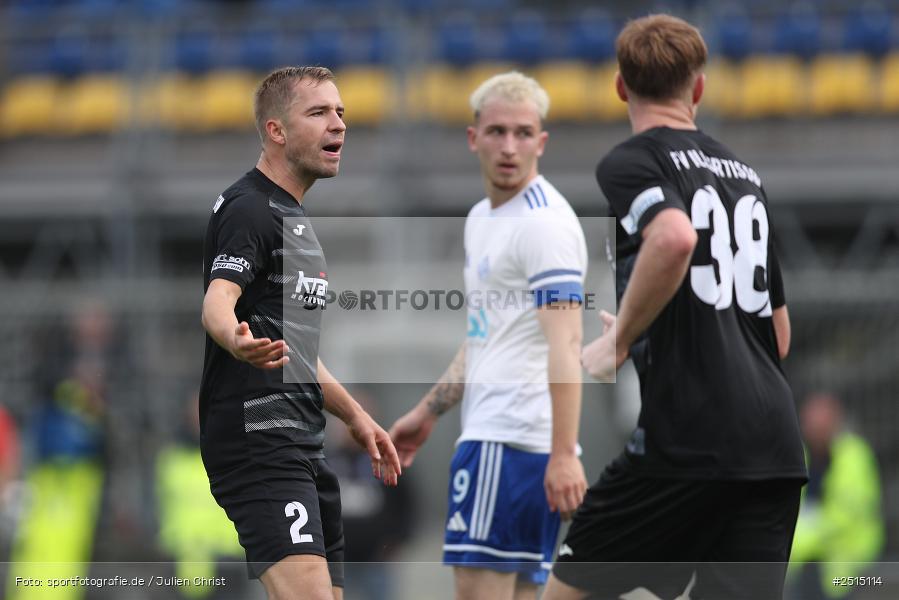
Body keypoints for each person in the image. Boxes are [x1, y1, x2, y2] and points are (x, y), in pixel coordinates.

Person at [544, 15, 808, 600]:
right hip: (774, 447)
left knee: (567, 593)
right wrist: (649, 327)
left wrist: (617, 341)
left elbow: (674, 239)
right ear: (699, 88)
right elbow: (776, 337)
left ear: (619, 87)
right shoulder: (746, 178)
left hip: (688, 440)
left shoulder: (632, 160)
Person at [200, 66, 401, 600]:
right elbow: (219, 300)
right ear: (276, 131)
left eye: (340, 113)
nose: (337, 124)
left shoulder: (293, 218)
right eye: (319, 113)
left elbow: (299, 352)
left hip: (303, 443)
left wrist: (357, 417)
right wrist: (233, 338)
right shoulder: (250, 209)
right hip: (259, 440)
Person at [390, 71, 588, 600]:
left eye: (524, 133)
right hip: (511, 441)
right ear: (473, 137)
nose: (509, 146)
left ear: (541, 143)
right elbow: (484, 334)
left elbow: (566, 344)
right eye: (497, 131)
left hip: (510, 443)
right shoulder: (483, 218)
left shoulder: (542, 225)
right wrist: (429, 411)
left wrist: (564, 452)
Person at [788, 392, 883, 600]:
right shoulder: (803, 455)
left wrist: (802, 537)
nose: (813, 430)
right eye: (809, 424)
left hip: (850, 567)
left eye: (820, 424)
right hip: (810, 565)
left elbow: (846, 513)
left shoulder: (853, 455)